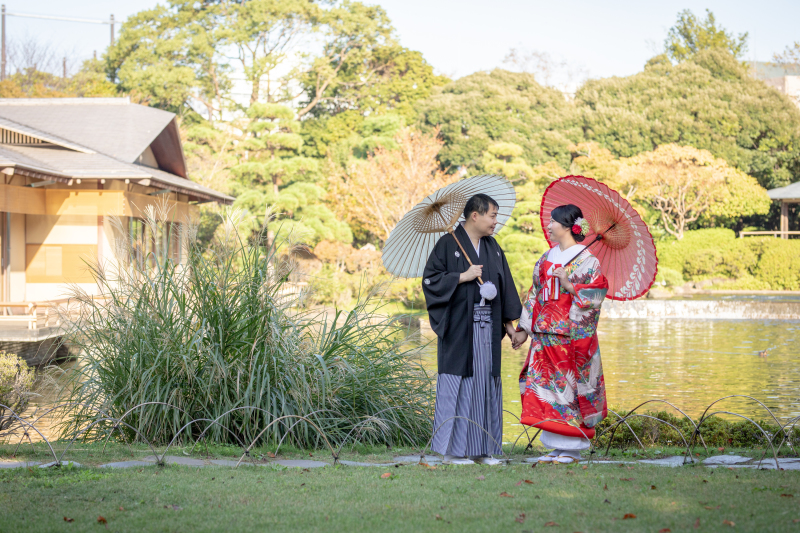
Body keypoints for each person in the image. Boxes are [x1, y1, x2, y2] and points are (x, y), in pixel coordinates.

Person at [422, 194, 522, 465]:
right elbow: (430, 280)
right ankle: (453, 452)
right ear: (475, 216)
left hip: (488, 329)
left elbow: (505, 286)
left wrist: (510, 326)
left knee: (484, 385)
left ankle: (481, 450)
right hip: (459, 329)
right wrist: (461, 277)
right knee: (458, 384)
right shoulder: (447, 244)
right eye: (492, 215)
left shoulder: (493, 247)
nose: (495, 221)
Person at [510, 204, 608, 464]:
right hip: (544, 336)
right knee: (546, 391)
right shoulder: (546, 258)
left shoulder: (588, 260)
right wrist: (524, 329)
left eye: (553, 221)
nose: (549, 225)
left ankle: (572, 449)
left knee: (568, 391)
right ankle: (555, 446)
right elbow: (534, 294)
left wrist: (569, 285)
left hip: (569, 337)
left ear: (566, 226)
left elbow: (597, 295)